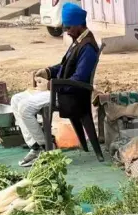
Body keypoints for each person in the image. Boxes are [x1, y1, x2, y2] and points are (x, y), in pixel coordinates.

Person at [9, 3, 99, 167]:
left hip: (71, 96)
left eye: (69, 27)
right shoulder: (77, 40)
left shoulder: (88, 47)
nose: (67, 31)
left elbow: (78, 79)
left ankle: (45, 147)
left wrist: (51, 85)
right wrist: (48, 71)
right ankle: (36, 146)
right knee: (15, 100)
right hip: (61, 89)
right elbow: (64, 65)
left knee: (25, 107)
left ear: (79, 24)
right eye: (65, 27)